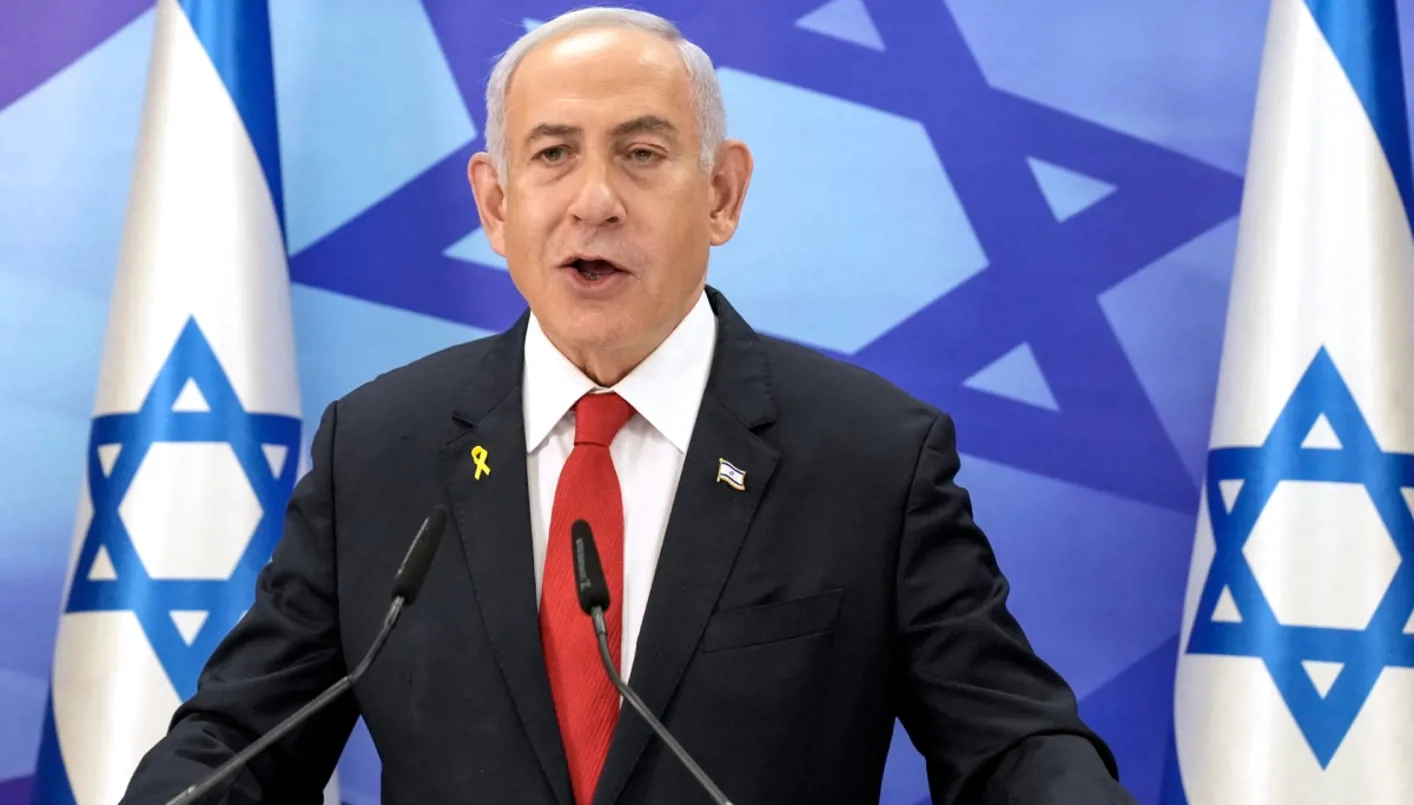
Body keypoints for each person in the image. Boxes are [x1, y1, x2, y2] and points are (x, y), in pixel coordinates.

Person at [122, 7, 1136, 804]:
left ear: (721, 193)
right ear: (495, 204)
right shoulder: (381, 450)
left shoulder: (871, 459)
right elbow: (236, 744)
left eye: (642, 154)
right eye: (552, 153)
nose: (593, 200)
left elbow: (1013, 746)